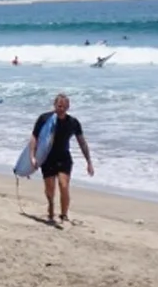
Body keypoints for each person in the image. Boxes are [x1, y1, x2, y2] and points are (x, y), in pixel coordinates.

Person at [30, 93, 94, 224]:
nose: (62, 109)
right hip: (47, 157)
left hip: (64, 157)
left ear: (68, 107)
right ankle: (51, 206)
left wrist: (89, 162)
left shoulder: (73, 122)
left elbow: (82, 142)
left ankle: (64, 214)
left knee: (63, 185)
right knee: (50, 188)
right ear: (54, 105)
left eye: (65, 106)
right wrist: (32, 156)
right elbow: (34, 137)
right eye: (59, 106)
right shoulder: (44, 119)